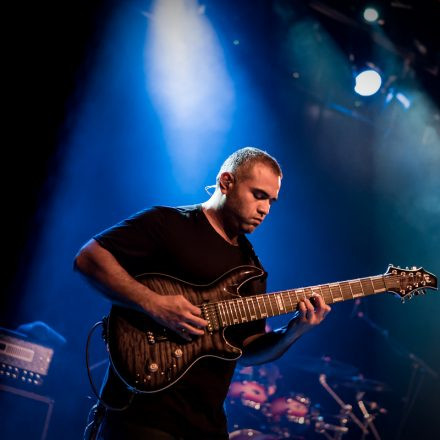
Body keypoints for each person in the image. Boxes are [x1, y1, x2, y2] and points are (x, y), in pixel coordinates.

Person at [74, 147, 331, 440]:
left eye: (271, 201)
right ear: (226, 182)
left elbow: (246, 349)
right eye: (259, 195)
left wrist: (294, 331)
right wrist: (154, 304)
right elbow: (89, 258)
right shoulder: (169, 223)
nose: (265, 209)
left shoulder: (252, 268)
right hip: (141, 416)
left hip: (205, 426)